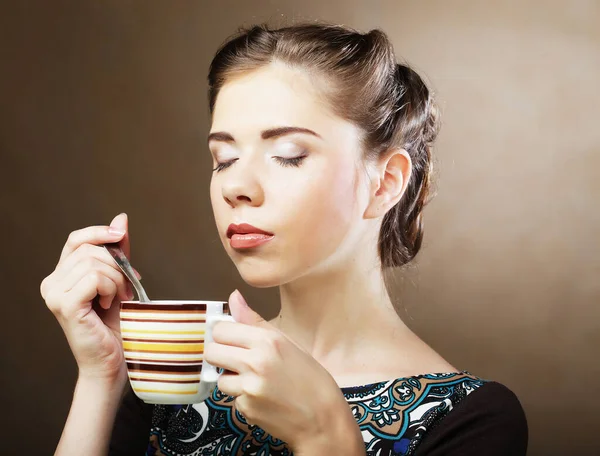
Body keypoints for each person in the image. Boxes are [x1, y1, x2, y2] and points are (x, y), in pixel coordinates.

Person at [41, 23, 528, 456]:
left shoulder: (471, 418)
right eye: (224, 159)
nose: (236, 187)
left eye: (289, 155)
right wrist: (101, 377)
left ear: (385, 182)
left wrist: (326, 439)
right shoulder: (179, 377)